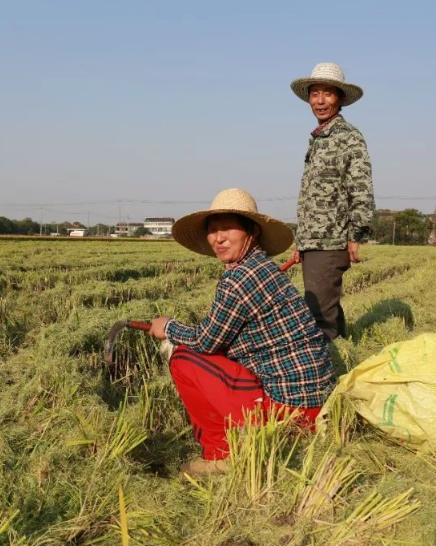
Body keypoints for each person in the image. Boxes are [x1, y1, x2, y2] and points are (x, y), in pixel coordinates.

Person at [148, 188, 335, 477]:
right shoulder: (261, 267)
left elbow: (205, 341)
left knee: (185, 358)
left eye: (227, 228)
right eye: (212, 230)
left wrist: (168, 327)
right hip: (316, 403)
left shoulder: (240, 278)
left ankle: (221, 454)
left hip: (288, 413)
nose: (217, 238)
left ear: (252, 232)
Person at [289, 62, 375, 341]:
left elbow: (361, 190)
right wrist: (299, 241)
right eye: (315, 94)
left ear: (339, 98)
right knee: (329, 309)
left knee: (319, 318)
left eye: (327, 94)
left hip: (331, 241)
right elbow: (310, 199)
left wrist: (355, 235)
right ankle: (346, 358)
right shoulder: (318, 139)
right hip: (312, 241)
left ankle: (326, 376)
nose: (320, 101)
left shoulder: (348, 137)